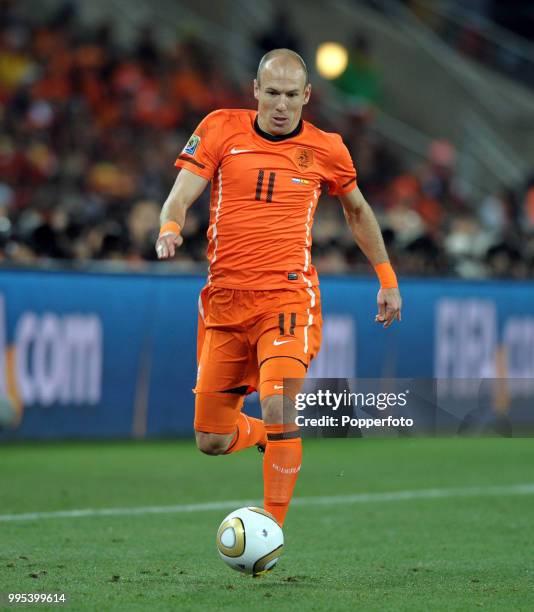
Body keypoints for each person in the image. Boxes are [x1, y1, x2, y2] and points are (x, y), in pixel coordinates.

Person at [155, 49, 402, 527]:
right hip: (226, 302)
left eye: (292, 95)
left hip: (288, 300)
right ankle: (269, 436)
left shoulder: (327, 148)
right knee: (212, 440)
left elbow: (357, 211)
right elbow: (181, 194)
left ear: (307, 96)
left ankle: (271, 526)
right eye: (272, 93)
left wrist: (386, 277)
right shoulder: (220, 128)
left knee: (280, 399)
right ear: (255, 91)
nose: (281, 105)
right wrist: (169, 226)